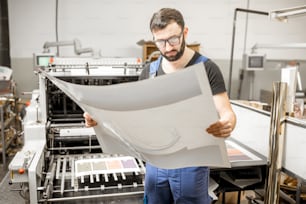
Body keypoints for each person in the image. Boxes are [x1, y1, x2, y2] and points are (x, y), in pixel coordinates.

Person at [84, 8, 236, 204]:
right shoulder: (150, 71)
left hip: (192, 162)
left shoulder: (207, 68)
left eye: (173, 39)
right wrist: (99, 119)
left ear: (185, 33)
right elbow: (134, 115)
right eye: (160, 42)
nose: (168, 47)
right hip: (156, 161)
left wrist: (227, 123)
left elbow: (226, 112)